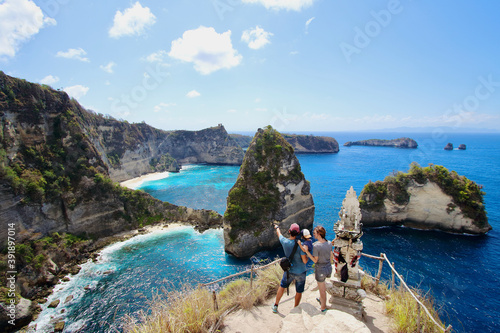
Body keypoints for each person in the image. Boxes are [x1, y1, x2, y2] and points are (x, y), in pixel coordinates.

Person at [272, 223, 308, 313]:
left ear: (289, 231)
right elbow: (305, 261)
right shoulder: (301, 245)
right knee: (298, 291)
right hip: (300, 271)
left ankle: (275, 305)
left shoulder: (285, 242)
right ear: (298, 232)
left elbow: (279, 234)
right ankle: (295, 308)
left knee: (282, 287)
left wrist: (277, 227)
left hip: (289, 271)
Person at [299, 226, 333, 312]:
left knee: (322, 290)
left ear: (319, 234)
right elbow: (331, 257)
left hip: (320, 269)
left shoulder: (316, 246)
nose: (313, 234)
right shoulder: (329, 243)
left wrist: (307, 252)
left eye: (314, 233)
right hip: (328, 268)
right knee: (322, 285)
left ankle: (323, 308)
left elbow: (315, 260)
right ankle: (322, 300)